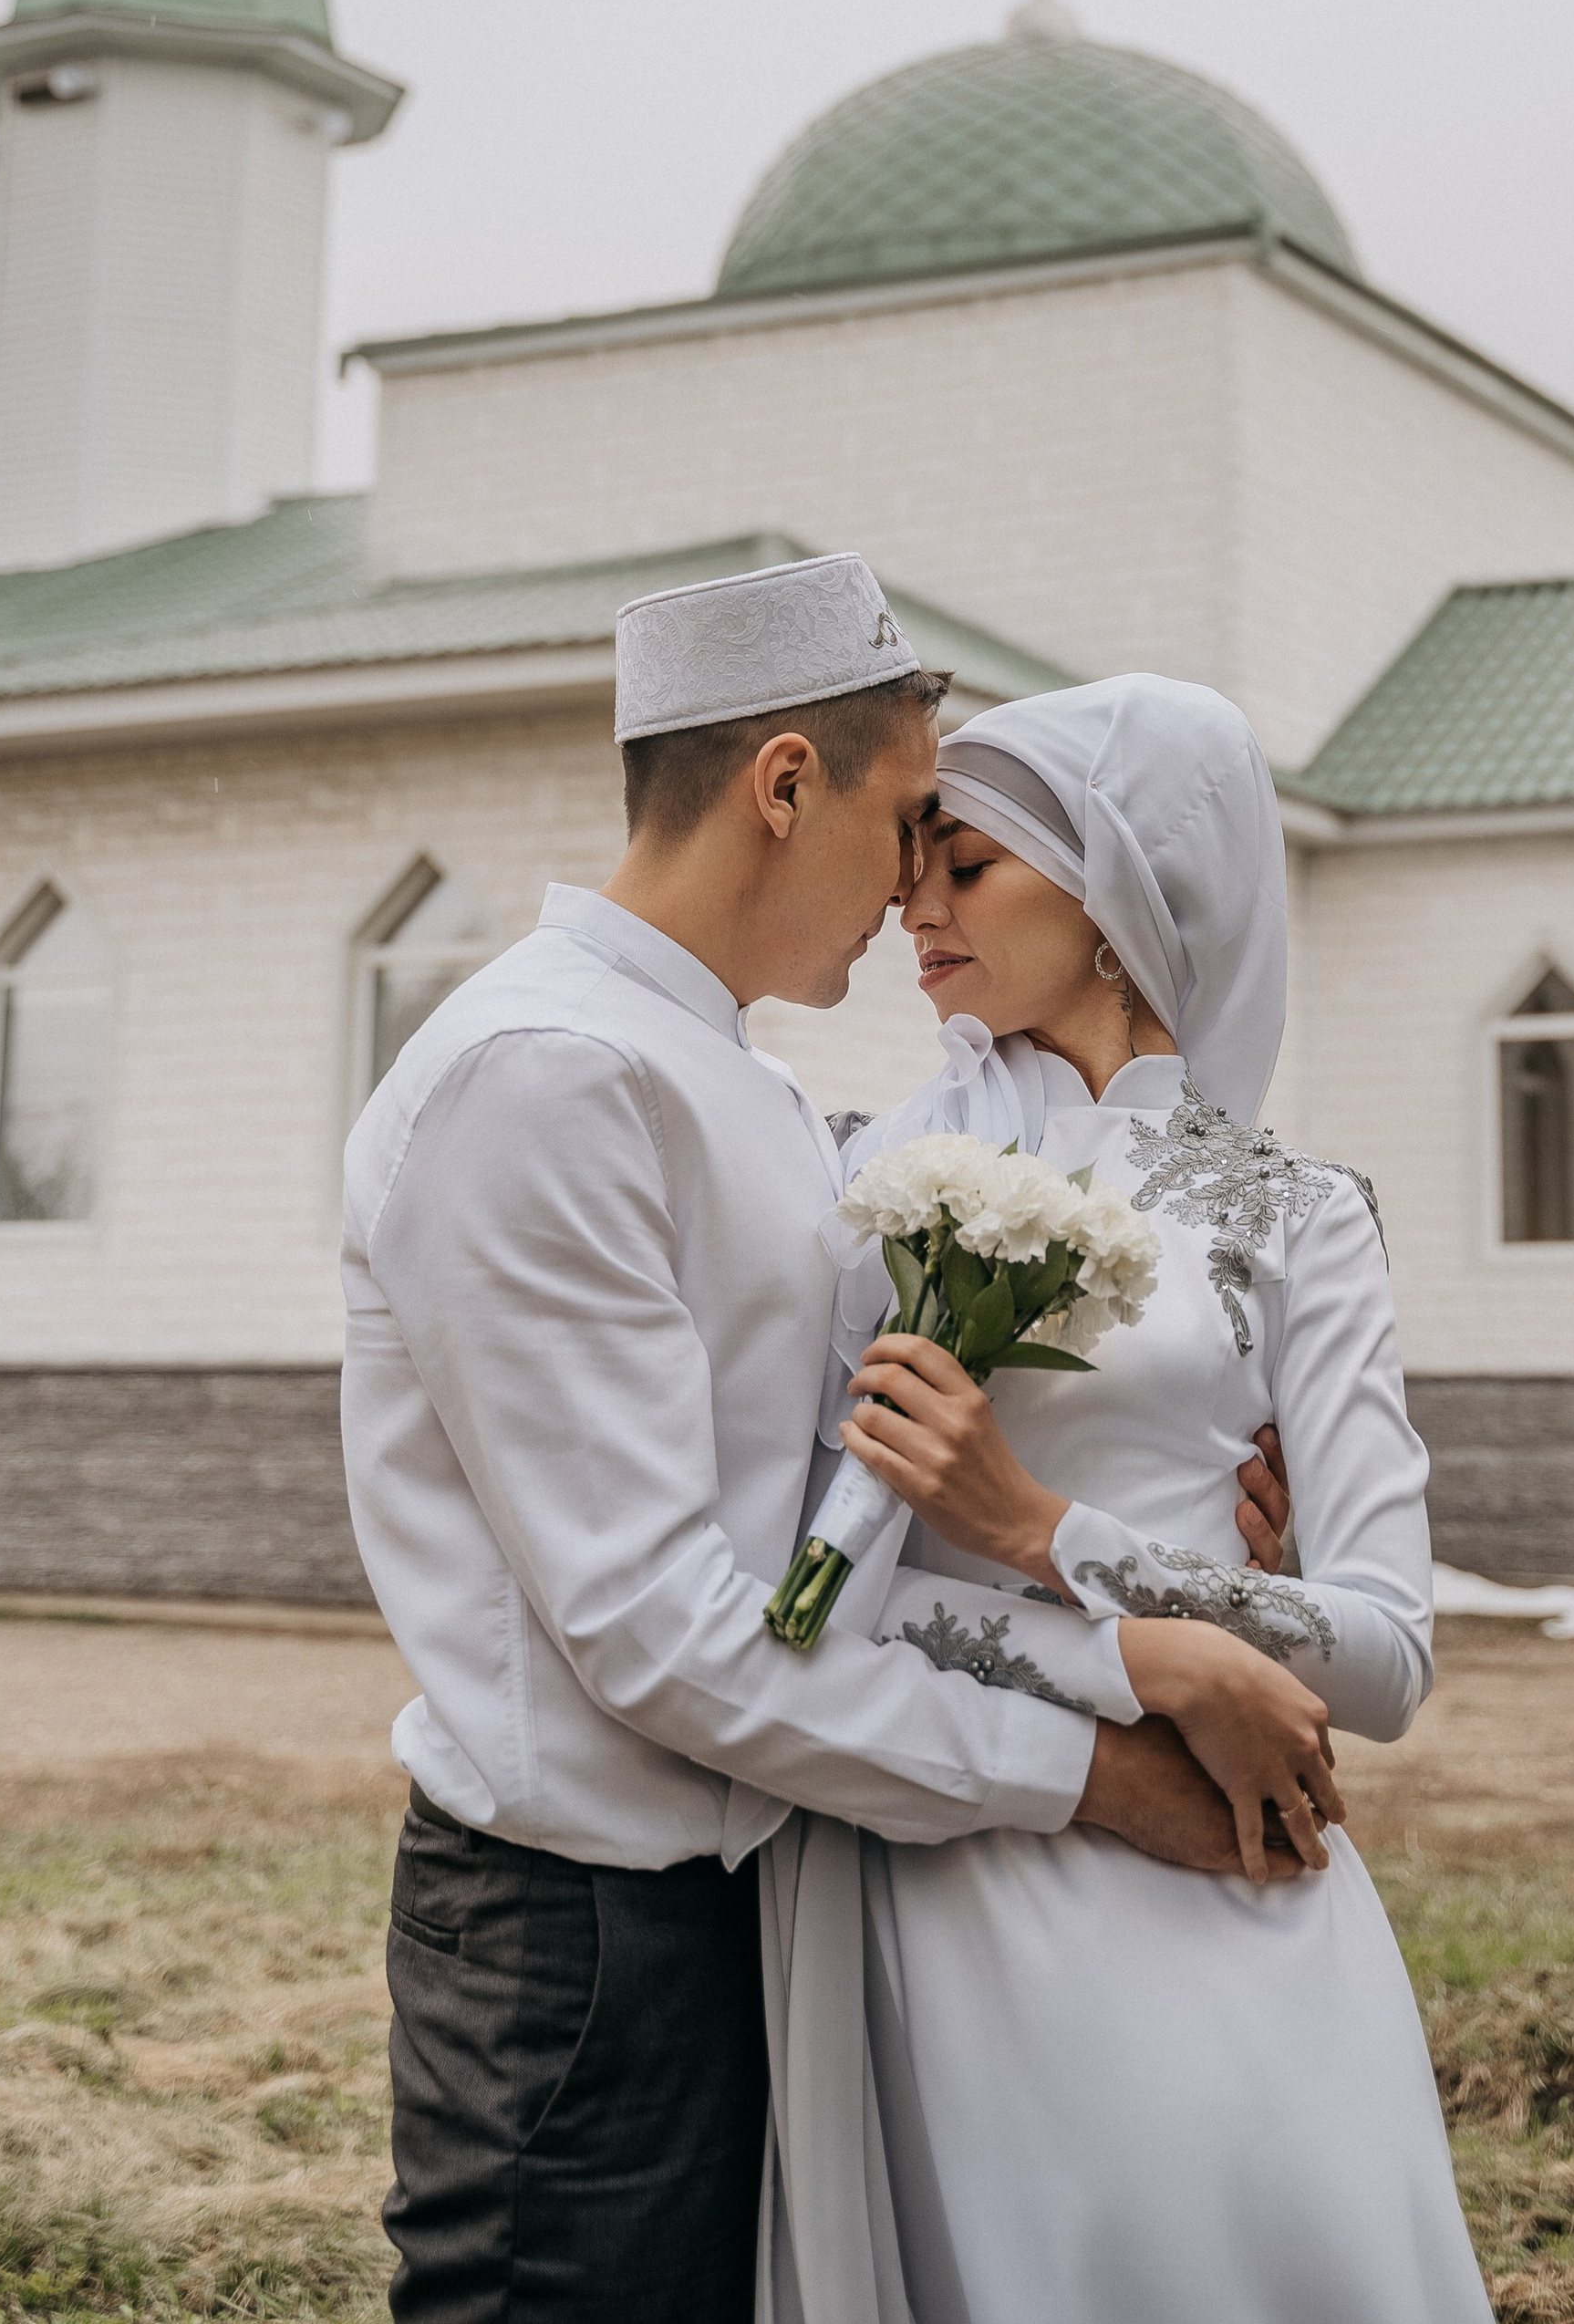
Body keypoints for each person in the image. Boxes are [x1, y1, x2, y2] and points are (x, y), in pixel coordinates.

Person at [339, 563, 1322, 2324]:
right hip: (582, 1937)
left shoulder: (749, 1088)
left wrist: (1187, 1532)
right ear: (784, 785)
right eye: (901, 823)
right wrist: (1112, 1776)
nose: (909, 886)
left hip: (766, 1895)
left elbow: (857, 1508)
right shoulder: (544, 1080)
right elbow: (667, 1635)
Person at [767, 672, 1495, 2324]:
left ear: (1112, 900)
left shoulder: (1295, 1212)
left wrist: (1054, 1536)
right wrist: (1130, 1649)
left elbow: (1381, 1658)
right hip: (968, 1877)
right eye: (915, 865)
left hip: (1245, 1884)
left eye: (967, 865)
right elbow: (831, 1598)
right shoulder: (883, 1183)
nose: (914, 908)